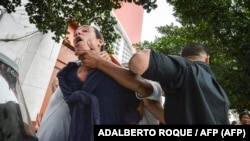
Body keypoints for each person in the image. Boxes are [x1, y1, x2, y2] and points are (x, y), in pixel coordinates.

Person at [79, 42, 230, 124]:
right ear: (207, 59)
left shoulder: (186, 68)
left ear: (182, 57)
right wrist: (150, 104)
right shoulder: (221, 96)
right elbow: (171, 120)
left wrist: (98, 62)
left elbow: (138, 62)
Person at [36, 25, 141, 141]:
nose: (78, 34)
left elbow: (132, 113)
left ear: (100, 42)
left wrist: (102, 63)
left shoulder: (117, 78)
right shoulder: (65, 76)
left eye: (85, 31)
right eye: (75, 34)